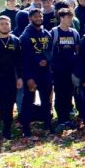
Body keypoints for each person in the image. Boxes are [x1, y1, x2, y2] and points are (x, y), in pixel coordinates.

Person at [18, 8, 54, 137]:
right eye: (35, 17)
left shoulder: (46, 33)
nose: (39, 18)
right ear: (30, 18)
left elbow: (50, 51)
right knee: (28, 100)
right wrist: (28, 77)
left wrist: (46, 60)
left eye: (40, 16)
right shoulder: (25, 36)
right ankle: (26, 129)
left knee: (46, 100)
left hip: (45, 73)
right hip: (32, 74)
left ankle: (48, 125)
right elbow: (23, 58)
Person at [50, 9, 81, 131]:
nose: (70, 20)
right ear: (61, 18)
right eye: (68, 17)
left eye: (71, 18)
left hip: (71, 70)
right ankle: (61, 119)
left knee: (69, 94)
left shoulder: (74, 33)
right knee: (59, 94)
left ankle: (68, 118)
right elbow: (49, 51)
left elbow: (77, 50)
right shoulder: (54, 32)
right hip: (58, 70)